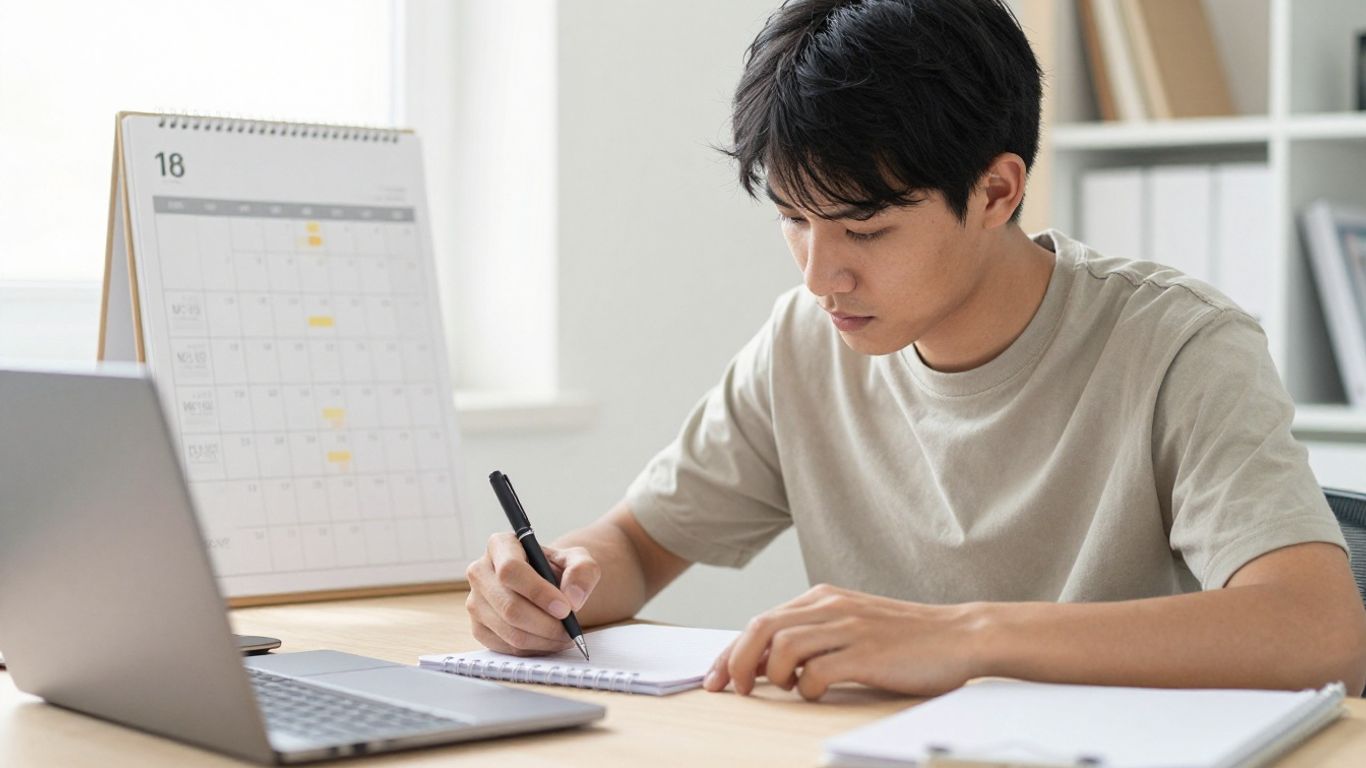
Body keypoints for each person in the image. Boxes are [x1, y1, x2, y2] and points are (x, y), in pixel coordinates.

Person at [463, 0, 1366, 701]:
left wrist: (964, 638)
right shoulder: (802, 344)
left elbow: (1321, 633)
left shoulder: (1179, 347)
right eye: (792, 219)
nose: (823, 277)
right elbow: (638, 543)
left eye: (868, 228)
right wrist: (550, 588)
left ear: (998, 190)